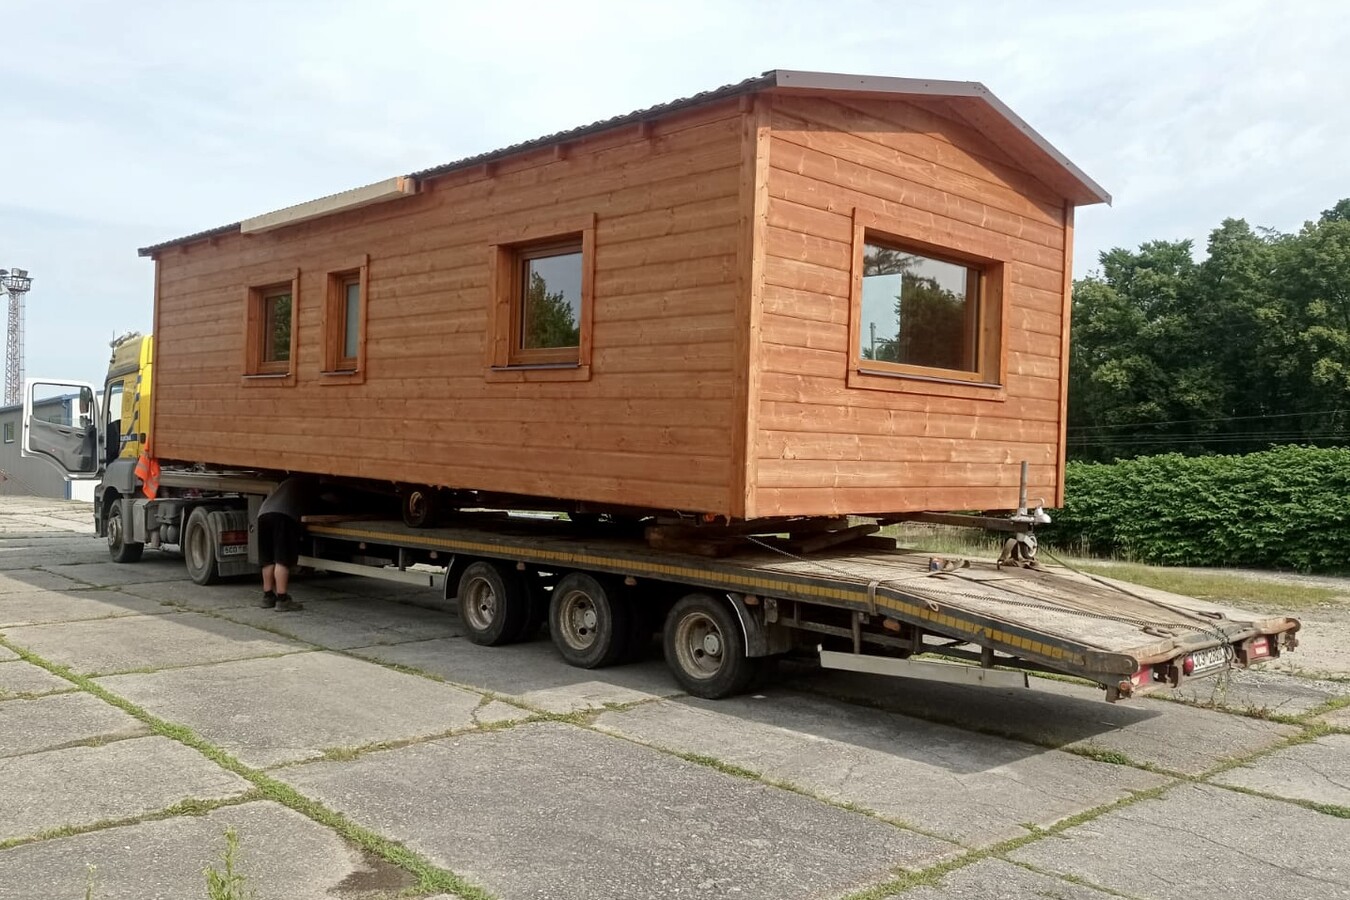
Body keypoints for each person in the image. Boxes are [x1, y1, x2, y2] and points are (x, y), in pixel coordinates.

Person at [256, 476, 318, 611]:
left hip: (263, 514)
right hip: (283, 516)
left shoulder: (289, 481)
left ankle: (268, 596)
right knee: (282, 559)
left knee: (267, 559)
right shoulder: (312, 483)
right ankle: (282, 599)